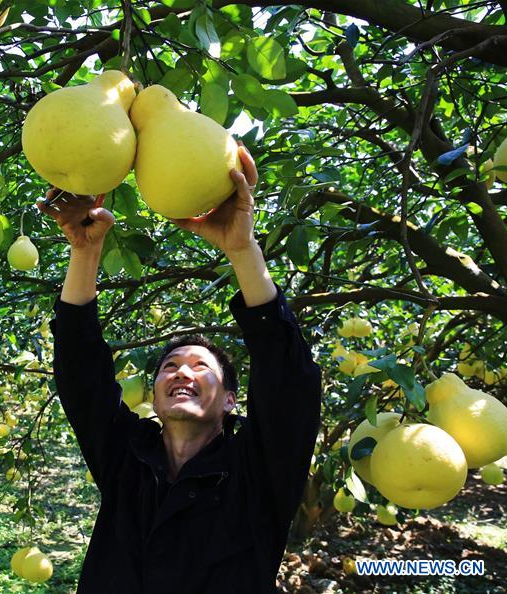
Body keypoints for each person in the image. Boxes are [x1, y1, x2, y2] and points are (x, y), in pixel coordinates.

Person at [38, 145, 322, 593]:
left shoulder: (258, 469)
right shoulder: (126, 456)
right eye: (169, 366)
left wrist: (242, 249)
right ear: (153, 394)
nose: (181, 373)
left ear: (231, 400)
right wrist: (85, 251)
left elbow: (290, 382)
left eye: (199, 366)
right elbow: (80, 371)